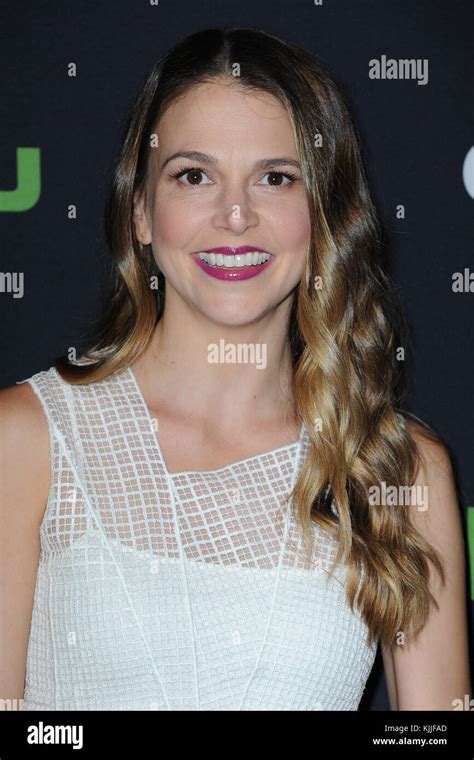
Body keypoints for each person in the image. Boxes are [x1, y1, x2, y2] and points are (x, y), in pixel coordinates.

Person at [0, 27, 470, 711]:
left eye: (276, 178)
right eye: (194, 175)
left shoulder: (397, 468)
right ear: (141, 211)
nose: (236, 214)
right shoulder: (27, 441)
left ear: (325, 215)